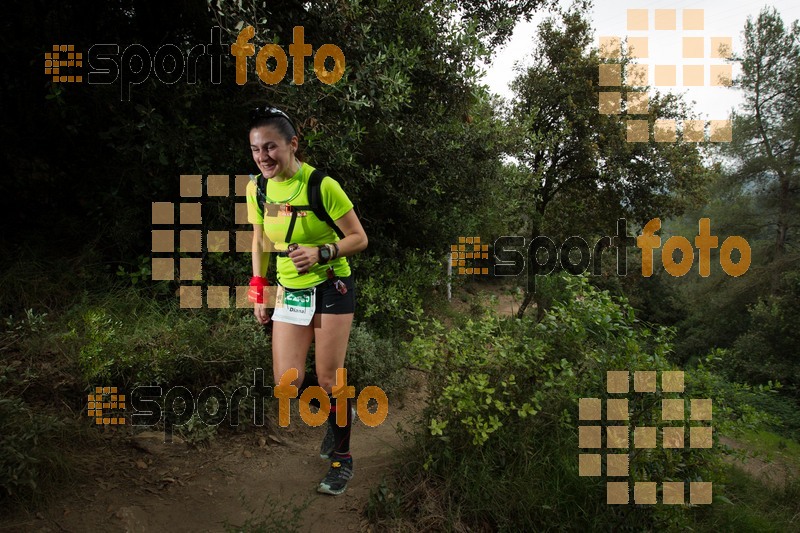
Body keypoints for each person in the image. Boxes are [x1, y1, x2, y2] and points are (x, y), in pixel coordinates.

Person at [244, 104, 368, 495]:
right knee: (288, 382)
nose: (263, 156)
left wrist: (323, 252)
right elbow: (261, 239)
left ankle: (342, 460)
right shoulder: (258, 188)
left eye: (271, 147)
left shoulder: (321, 186)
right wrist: (259, 290)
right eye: (255, 149)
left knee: (330, 379)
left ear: (292, 144)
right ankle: (340, 418)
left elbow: (359, 238)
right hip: (290, 293)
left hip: (332, 288)